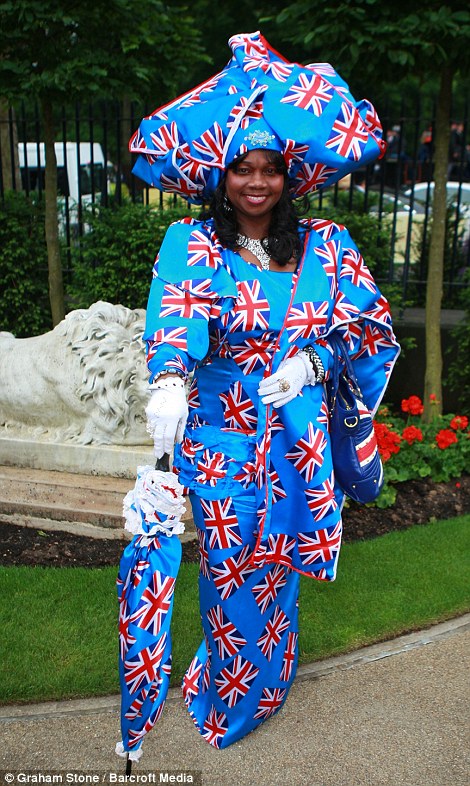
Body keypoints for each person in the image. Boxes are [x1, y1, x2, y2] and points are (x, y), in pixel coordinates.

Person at [123, 31, 400, 752]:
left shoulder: (328, 245)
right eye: (241, 168)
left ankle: (266, 683)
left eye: (269, 170)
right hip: (218, 443)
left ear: (289, 177)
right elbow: (177, 313)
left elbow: (362, 328)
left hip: (296, 443)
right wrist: (169, 382)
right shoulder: (194, 243)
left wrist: (311, 364)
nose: (255, 182)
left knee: (278, 570)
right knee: (231, 565)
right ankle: (226, 698)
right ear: (220, 177)